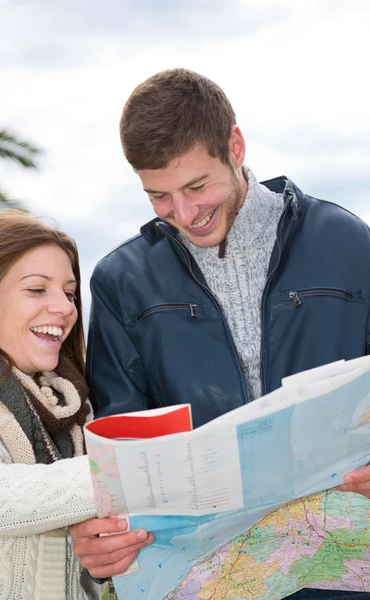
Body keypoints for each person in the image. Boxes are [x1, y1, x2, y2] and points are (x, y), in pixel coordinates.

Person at [71, 69, 370, 599]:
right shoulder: (121, 283)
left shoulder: (349, 244)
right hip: (207, 578)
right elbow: (121, 453)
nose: (184, 214)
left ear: (235, 146)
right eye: (158, 196)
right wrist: (104, 546)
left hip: (343, 570)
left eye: (196, 185)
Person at [0, 211, 105, 600]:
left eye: (69, 291)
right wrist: (132, 473)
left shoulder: (73, 406)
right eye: (36, 289)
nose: (64, 307)